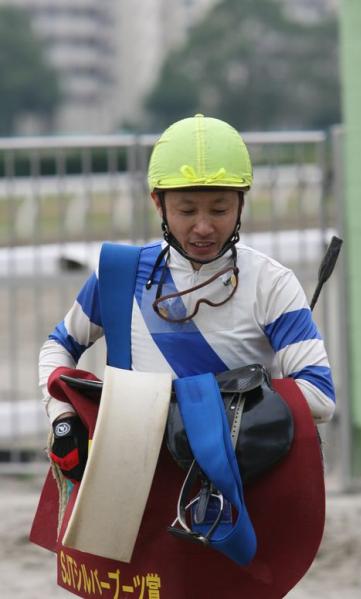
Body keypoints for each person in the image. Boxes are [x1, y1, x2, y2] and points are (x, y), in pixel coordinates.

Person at [39, 113, 335, 483]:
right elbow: (58, 346)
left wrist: (193, 410)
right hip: (135, 480)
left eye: (220, 209)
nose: (204, 226)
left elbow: (319, 396)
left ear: (241, 204)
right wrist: (63, 418)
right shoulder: (117, 273)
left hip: (240, 477)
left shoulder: (272, 283)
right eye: (187, 210)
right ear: (158, 203)